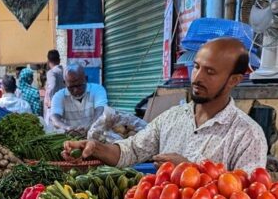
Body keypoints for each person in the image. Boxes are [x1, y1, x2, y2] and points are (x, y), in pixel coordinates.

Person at [64, 37, 268, 173]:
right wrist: (94, 148)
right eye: (196, 67)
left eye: (210, 72)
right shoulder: (173, 117)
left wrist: (192, 171)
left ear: (234, 80)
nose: (197, 78)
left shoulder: (248, 135)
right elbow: (131, 151)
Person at [51, 64, 108, 134]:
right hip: (71, 138)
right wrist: (67, 128)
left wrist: (89, 127)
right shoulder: (58, 96)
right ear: (64, 83)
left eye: (79, 85)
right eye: (71, 87)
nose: (76, 90)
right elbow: (55, 119)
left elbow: (100, 112)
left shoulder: (97, 90)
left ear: (86, 79)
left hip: (94, 135)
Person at [44, 50, 65, 123]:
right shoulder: (64, 71)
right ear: (59, 60)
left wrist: (50, 100)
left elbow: (52, 86)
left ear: (48, 61)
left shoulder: (51, 72)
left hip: (53, 106)